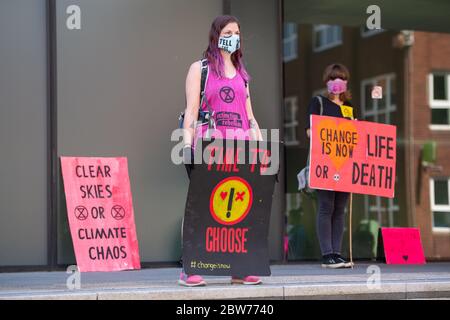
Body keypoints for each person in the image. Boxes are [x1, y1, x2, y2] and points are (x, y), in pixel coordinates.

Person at [179, 15, 263, 287]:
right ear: (216, 35)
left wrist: (261, 147)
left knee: (238, 207)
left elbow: (250, 116)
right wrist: (187, 146)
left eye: (237, 32)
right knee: (202, 207)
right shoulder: (200, 69)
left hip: (240, 148)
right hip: (209, 147)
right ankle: (189, 268)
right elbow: (191, 111)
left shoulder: (242, 74)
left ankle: (239, 268)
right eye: (228, 31)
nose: (234, 36)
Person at [305, 63, 356, 269]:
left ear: (346, 82)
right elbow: (310, 131)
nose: (337, 82)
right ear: (326, 82)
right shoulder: (318, 102)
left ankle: (337, 252)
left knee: (340, 209)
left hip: (344, 164)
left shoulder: (348, 108)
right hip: (325, 162)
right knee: (326, 207)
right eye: (333, 78)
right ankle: (327, 254)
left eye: (341, 78)